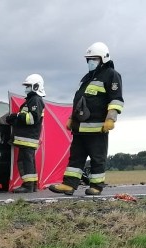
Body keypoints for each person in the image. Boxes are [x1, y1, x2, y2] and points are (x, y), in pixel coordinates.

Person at [49, 42, 124, 196]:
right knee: (75, 158)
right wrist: (71, 118)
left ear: (103, 58)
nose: (90, 62)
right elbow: (80, 101)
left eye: (93, 59)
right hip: (79, 127)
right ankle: (69, 185)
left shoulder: (111, 75)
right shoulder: (87, 78)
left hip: (98, 127)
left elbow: (116, 100)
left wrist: (111, 119)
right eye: (88, 59)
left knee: (98, 158)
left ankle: (96, 186)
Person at [4, 74, 46, 193]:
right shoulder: (32, 100)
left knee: (25, 161)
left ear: (36, 86)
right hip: (27, 138)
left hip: (28, 138)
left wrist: (17, 115)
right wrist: (15, 118)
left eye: (28, 86)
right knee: (28, 161)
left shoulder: (35, 100)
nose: (26, 88)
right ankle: (31, 185)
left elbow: (32, 119)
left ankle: (28, 186)